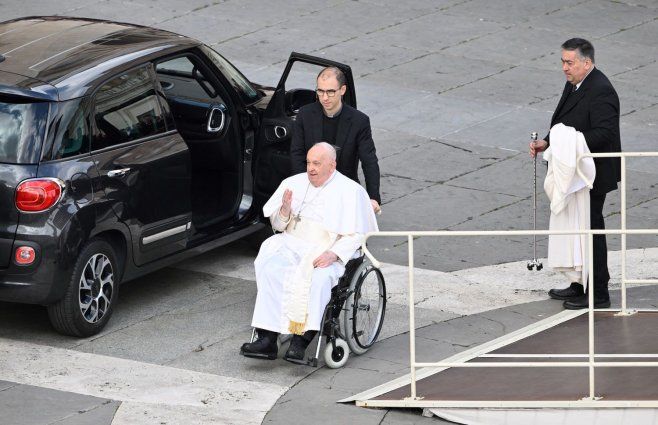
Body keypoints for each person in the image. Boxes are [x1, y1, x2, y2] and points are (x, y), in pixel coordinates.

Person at [241, 142, 378, 363]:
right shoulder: (293, 183)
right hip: (291, 243)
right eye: (308, 163)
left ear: (332, 166)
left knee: (319, 279)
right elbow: (278, 225)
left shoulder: (351, 191)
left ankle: (301, 340)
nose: (310, 168)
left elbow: (358, 234)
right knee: (271, 269)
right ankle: (267, 337)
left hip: (325, 249)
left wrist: (334, 254)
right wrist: (284, 211)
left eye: (316, 163)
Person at [530, 38, 621, 310]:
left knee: (591, 230)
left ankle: (598, 293)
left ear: (587, 63)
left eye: (569, 62)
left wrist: (563, 146)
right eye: (563, 62)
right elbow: (564, 123)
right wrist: (547, 141)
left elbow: (605, 134)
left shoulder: (602, 90)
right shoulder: (575, 82)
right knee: (574, 229)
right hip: (574, 172)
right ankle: (579, 283)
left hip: (590, 175)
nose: (564, 68)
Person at [290, 66, 381, 214]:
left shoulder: (359, 121)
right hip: (312, 189)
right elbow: (297, 154)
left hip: (344, 190)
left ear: (342, 90)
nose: (324, 98)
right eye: (320, 91)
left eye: (330, 92)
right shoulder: (305, 115)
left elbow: (369, 160)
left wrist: (373, 197)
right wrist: (304, 189)